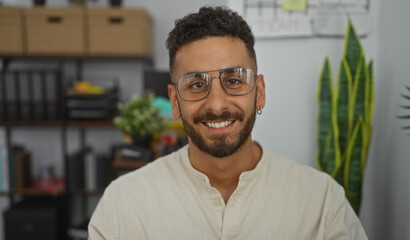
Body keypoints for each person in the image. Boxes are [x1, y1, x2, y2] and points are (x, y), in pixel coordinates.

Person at [88, 6, 368, 240]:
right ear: (174, 101)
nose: (217, 105)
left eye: (234, 81)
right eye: (197, 84)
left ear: (259, 92)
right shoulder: (122, 206)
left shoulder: (321, 204)